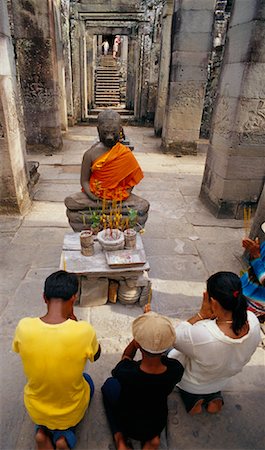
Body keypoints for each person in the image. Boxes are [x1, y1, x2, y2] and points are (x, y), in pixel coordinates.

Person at [12, 271, 101, 450]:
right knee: (88, 382)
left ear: (44, 297)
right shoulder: (84, 331)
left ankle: (42, 432)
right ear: (74, 298)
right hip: (69, 412)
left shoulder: (24, 327)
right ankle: (63, 438)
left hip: (36, 409)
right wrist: (75, 323)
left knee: (45, 401)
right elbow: (96, 355)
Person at [168, 271, 260, 416]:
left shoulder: (204, 334)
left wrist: (201, 315)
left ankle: (193, 400)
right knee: (212, 364)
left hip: (193, 383)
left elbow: (173, 337)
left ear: (214, 302)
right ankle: (213, 398)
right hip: (221, 379)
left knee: (168, 351)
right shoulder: (253, 320)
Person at [101, 312, 184, 450]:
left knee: (109, 385)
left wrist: (135, 344)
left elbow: (126, 358)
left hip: (127, 423)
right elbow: (162, 356)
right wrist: (153, 337)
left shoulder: (126, 372)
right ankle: (153, 439)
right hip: (154, 424)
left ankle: (120, 439)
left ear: (138, 344)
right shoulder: (175, 369)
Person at [241, 225, 265, 320]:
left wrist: (256, 256)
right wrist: (252, 250)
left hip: (257, 301)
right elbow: (253, 263)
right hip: (244, 287)